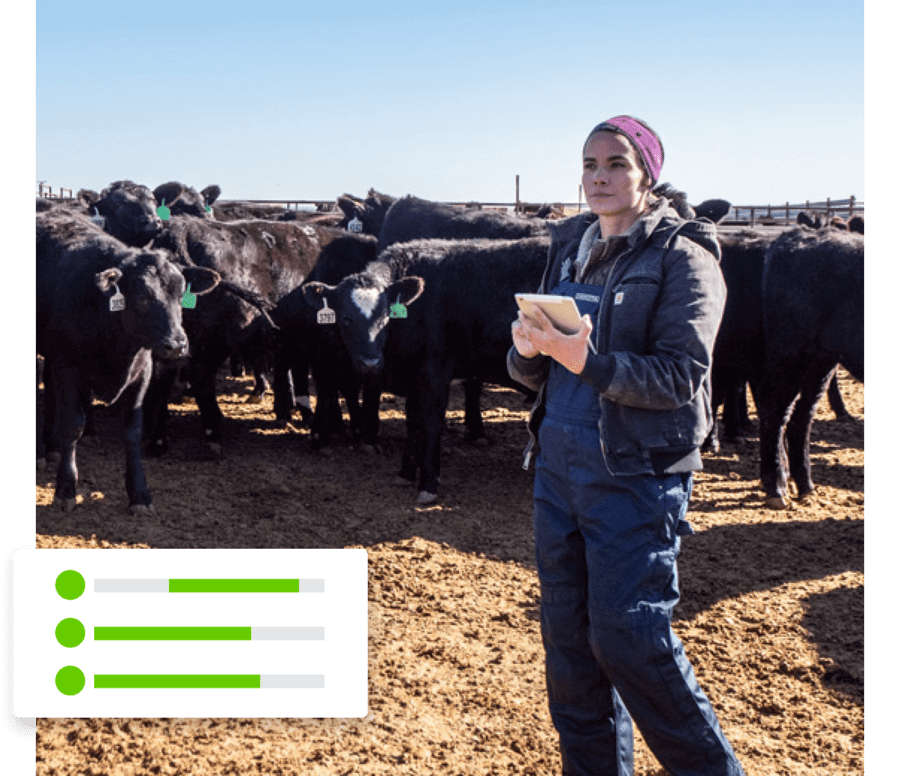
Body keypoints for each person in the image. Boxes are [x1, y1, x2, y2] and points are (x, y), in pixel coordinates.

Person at [508, 115, 744, 776]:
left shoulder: (683, 256)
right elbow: (537, 371)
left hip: (637, 474)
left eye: (616, 163)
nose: (600, 177)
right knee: (571, 654)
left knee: (631, 640)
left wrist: (594, 364)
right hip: (558, 470)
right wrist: (526, 352)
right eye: (589, 164)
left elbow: (681, 376)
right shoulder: (568, 247)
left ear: (648, 174)